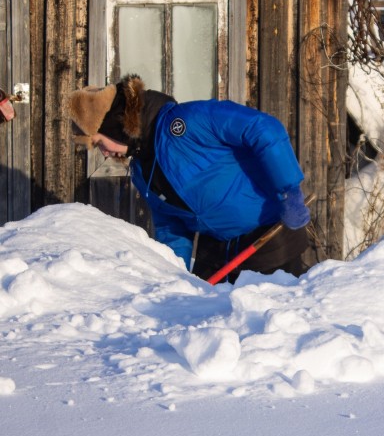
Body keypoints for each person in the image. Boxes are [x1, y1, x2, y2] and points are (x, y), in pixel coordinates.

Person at [67, 74, 312, 282]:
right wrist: (175, 274)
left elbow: (262, 128)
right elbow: (170, 225)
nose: (104, 153)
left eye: (99, 142)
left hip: (268, 238)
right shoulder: (142, 170)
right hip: (216, 252)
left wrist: (288, 189)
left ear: (115, 127)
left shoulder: (190, 120)